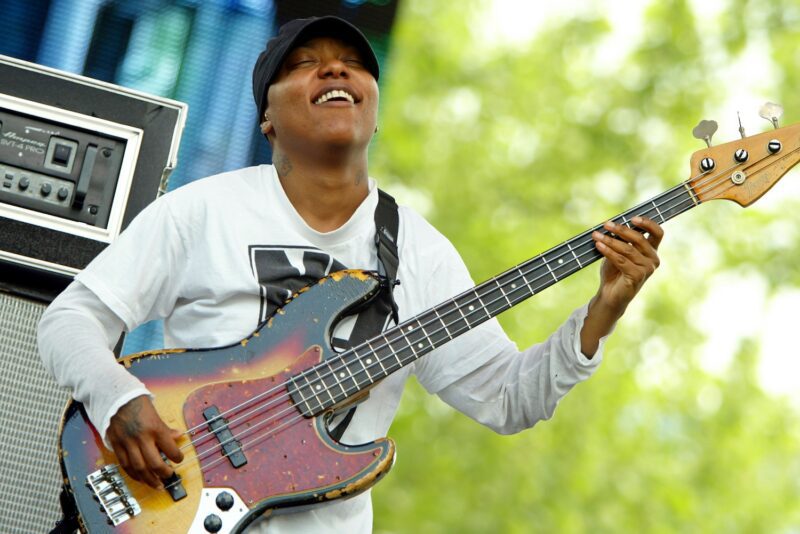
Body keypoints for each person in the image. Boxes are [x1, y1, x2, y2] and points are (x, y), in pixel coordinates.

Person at [38, 15, 663, 533]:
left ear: (373, 104)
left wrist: (601, 312)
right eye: (305, 63)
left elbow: (507, 398)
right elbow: (70, 319)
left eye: (353, 63)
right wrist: (119, 398)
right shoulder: (206, 209)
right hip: (160, 497)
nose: (335, 69)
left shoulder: (419, 251)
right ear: (267, 118)